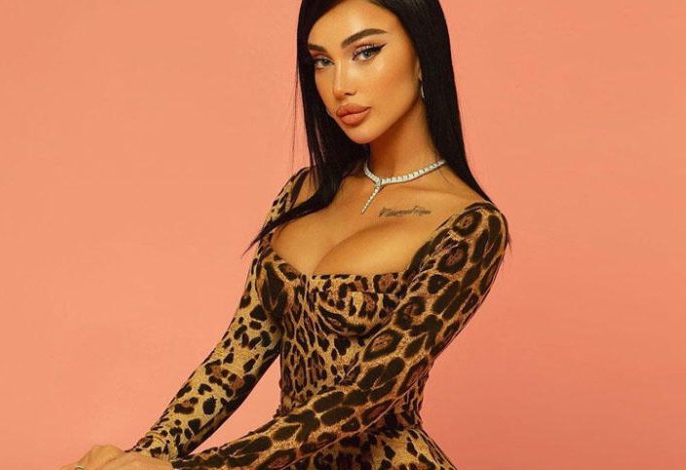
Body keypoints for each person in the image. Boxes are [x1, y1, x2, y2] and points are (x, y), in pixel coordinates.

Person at [60, 0, 511, 469]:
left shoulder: (470, 226)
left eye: (365, 52)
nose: (339, 85)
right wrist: (142, 457)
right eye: (321, 61)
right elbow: (232, 363)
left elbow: (363, 397)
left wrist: (190, 469)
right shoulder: (304, 192)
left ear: (423, 55)